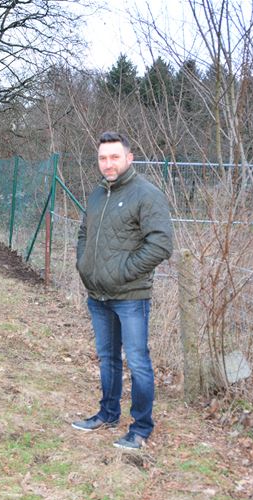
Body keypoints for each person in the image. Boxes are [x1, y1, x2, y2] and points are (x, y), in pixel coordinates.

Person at [72, 131, 173, 449]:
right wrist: (84, 264)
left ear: (129, 158)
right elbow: (84, 232)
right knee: (107, 358)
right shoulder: (98, 193)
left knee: (138, 362)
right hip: (98, 295)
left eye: (115, 157)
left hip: (130, 297)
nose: (108, 163)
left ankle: (141, 427)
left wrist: (122, 272)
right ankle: (108, 413)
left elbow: (161, 244)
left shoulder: (147, 194)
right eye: (103, 158)